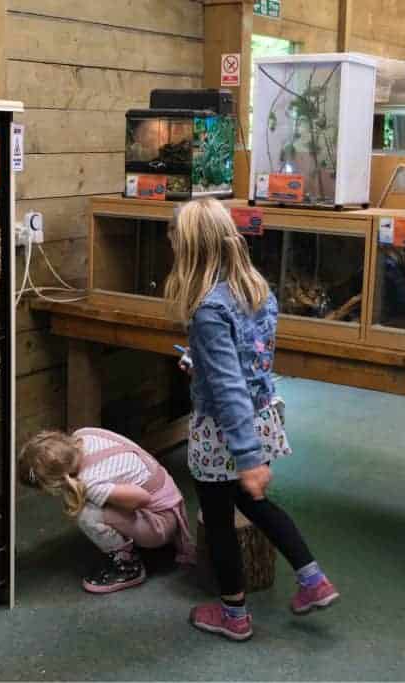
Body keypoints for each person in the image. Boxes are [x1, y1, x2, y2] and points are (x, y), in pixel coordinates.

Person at [165, 198, 339, 642]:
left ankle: (233, 615)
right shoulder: (257, 289)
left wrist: (245, 457)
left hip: (225, 430)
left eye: (175, 240)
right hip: (260, 416)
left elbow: (227, 388)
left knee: (218, 519)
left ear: (192, 250)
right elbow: (248, 363)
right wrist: (199, 363)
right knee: (255, 505)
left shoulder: (208, 309)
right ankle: (312, 578)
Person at [19, 428, 194, 593]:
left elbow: (143, 498)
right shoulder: (84, 434)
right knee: (93, 500)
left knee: (85, 514)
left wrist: (91, 493)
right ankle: (131, 540)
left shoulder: (90, 482)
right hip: (169, 496)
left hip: (161, 522)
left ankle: (128, 567)